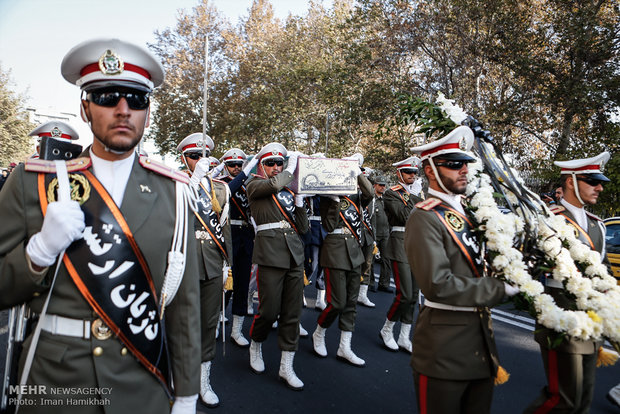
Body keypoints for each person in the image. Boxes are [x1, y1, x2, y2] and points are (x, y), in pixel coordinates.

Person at [0, 38, 200, 413]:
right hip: (56, 386)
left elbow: (183, 306)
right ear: (85, 107)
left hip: (141, 381)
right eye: (108, 96)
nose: (123, 110)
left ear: (148, 111)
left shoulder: (174, 192)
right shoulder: (34, 181)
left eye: (136, 99)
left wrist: (186, 395)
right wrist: (38, 253)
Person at [405, 126, 518, 414]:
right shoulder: (425, 217)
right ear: (430, 170)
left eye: (465, 163)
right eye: (454, 165)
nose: (463, 170)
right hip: (444, 349)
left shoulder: (471, 213)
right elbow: (437, 284)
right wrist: (499, 289)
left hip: (481, 345)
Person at [524, 152, 611, 414]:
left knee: (582, 400)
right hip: (560, 317)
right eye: (593, 181)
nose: (600, 187)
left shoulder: (598, 225)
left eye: (600, 181)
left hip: (591, 321)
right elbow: (529, 265)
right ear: (571, 182)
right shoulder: (550, 220)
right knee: (562, 400)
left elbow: (602, 269)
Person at [246, 143, 309, 391]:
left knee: (292, 313)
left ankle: (286, 365)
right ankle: (256, 344)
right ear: (262, 165)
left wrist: (301, 203)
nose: (275, 167)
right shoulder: (254, 185)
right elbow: (273, 185)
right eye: (270, 163)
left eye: (280, 163)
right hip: (270, 252)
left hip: (294, 253)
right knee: (269, 310)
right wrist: (291, 170)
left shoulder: (288, 191)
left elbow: (303, 228)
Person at [176, 133, 232, 408]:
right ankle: (179, 376)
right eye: (193, 156)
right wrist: (193, 180)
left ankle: (203, 378)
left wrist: (227, 265)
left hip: (211, 261)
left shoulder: (221, 188)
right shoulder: (173, 182)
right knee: (181, 322)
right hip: (183, 261)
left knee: (209, 323)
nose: (199, 160)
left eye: (203, 156)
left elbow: (225, 229)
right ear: (183, 158)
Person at [311, 153, 374, 367]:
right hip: (335, 253)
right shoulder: (327, 199)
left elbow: (370, 192)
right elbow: (329, 226)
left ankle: (344, 347)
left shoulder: (357, 197)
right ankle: (319, 332)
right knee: (336, 303)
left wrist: (356, 171)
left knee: (351, 304)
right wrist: (336, 200)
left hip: (354, 254)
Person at [215, 148, 259, 347]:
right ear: (225, 165)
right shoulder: (220, 183)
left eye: (239, 165)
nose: (235, 168)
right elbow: (227, 194)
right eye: (232, 165)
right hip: (227, 235)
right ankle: (215, 320)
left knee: (241, 284)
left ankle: (236, 329)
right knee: (223, 283)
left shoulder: (250, 185)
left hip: (246, 236)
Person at [379, 156, 423, 353]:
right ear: (399, 174)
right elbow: (404, 217)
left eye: (414, 173)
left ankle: (405, 336)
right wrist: (414, 197)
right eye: (408, 172)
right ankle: (387, 328)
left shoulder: (418, 194)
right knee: (404, 294)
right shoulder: (391, 193)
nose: (412, 176)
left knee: (413, 295)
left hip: (417, 245)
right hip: (399, 244)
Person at [357, 159, 377, 308]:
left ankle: (362, 294)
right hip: (354, 233)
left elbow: (372, 218)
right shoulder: (349, 194)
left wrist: (374, 239)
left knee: (367, 265)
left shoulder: (371, 197)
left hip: (368, 234)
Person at [368, 176, 391, 292]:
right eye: (380, 185)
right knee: (370, 259)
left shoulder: (386, 200)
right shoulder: (371, 199)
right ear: (374, 185)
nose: (383, 187)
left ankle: (384, 284)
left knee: (387, 259)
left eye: (384, 185)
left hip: (386, 233)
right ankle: (370, 282)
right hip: (374, 234)